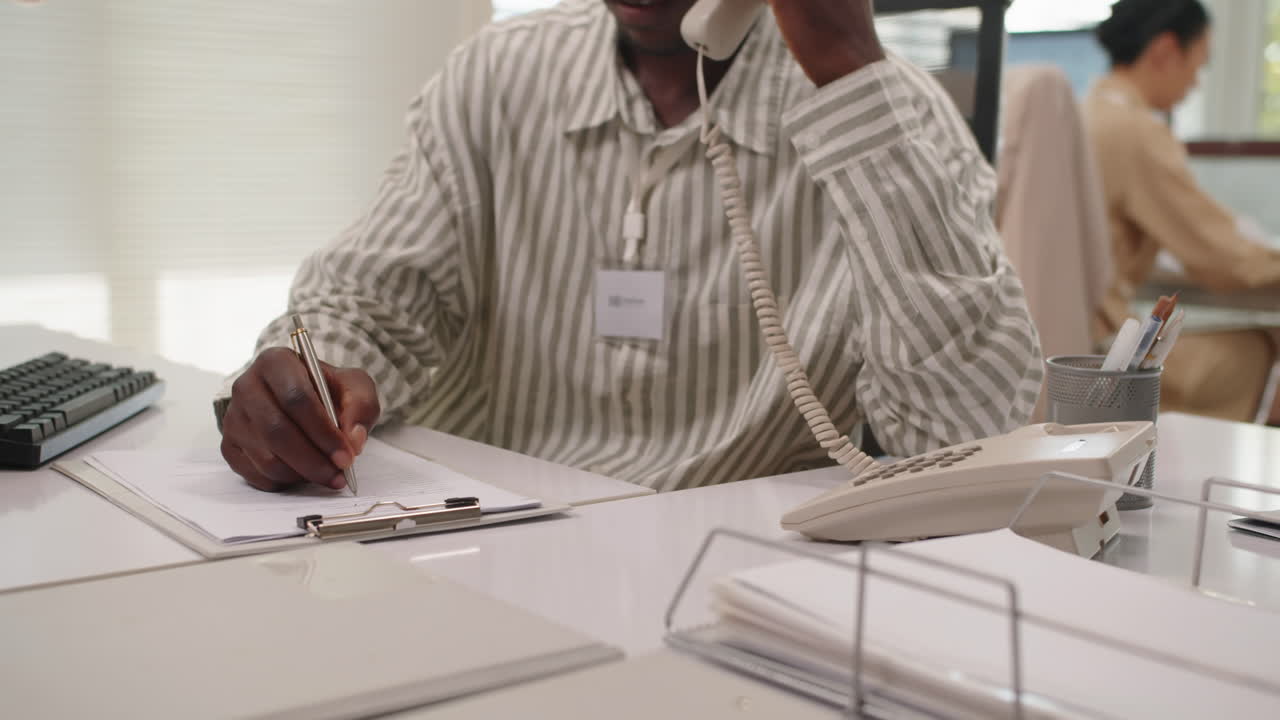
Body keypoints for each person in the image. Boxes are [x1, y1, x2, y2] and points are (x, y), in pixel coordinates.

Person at [215, 0, 1042, 493]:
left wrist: (850, 73)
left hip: (746, 578)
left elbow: (968, 438)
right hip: (500, 552)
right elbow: (368, 302)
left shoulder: (889, 118)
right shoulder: (498, 77)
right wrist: (316, 381)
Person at [1086, 0, 1280, 424]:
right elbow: (1223, 258)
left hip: (1069, 347)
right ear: (1166, 50)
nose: (1195, 83)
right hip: (1107, 354)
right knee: (1267, 348)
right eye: (1198, 64)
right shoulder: (1135, 131)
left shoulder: (1086, 113)